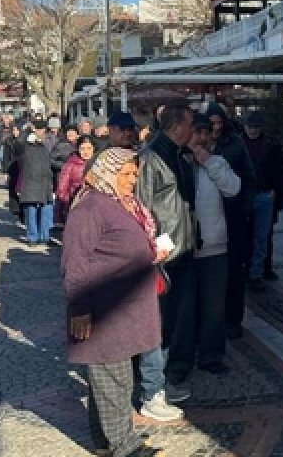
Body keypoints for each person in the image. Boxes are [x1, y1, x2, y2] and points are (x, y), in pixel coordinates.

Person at [61, 148, 168, 457]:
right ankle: (124, 446)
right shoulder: (91, 208)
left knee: (107, 379)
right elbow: (74, 263)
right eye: (126, 174)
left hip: (123, 306)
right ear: (108, 172)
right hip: (103, 308)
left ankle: (104, 441)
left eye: (135, 174)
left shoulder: (120, 203)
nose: (133, 180)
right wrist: (79, 310)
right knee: (115, 379)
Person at [135, 104, 198, 403]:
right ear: (176, 127)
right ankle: (153, 385)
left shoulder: (178, 155)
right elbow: (143, 208)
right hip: (163, 252)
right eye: (190, 125)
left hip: (183, 248)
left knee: (173, 319)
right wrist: (155, 248)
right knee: (158, 320)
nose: (194, 131)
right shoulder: (151, 158)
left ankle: (165, 376)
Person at [186, 113, 242, 372]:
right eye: (196, 132)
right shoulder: (177, 161)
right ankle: (183, 353)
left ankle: (211, 355)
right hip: (182, 246)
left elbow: (233, 188)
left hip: (214, 245)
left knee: (213, 307)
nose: (201, 138)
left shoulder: (217, 161)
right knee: (185, 305)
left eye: (206, 133)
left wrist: (208, 162)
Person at [205, 103, 257, 340]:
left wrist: (244, 207)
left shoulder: (235, 144)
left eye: (219, 122)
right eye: (211, 123)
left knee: (235, 270)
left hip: (234, 215)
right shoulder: (199, 143)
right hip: (208, 216)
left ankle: (233, 319)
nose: (215, 127)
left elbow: (247, 177)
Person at [242, 112, 283, 289]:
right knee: (246, 235)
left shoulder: (270, 144)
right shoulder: (239, 143)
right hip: (246, 194)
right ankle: (250, 270)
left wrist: (275, 192)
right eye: (250, 127)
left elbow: (280, 171)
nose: (252, 130)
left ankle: (257, 271)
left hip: (264, 193)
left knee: (262, 236)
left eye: (255, 127)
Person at [17, 120, 56, 247]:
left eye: (42, 130)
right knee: (31, 211)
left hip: (45, 181)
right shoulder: (26, 144)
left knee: (46, 210)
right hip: (30, 182)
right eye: (38, 130)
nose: (41, 132)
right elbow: (17, 143)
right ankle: (32, 237)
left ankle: (45, 236)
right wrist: (28, 131)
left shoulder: (47, 143)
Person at [56, 137, 94, 227]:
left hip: (95, 205)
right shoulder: (71, 164)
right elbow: (62, 187)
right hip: (75, 203)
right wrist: (62, 207)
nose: (86, 152)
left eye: (89, 148)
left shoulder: (99, 164)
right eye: (82, 148)